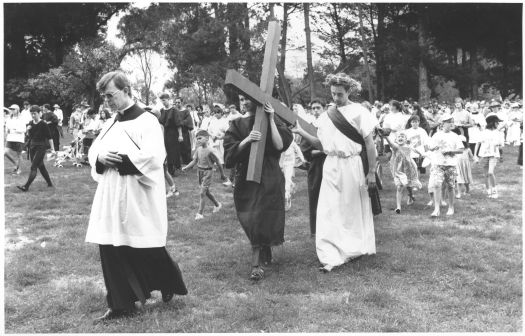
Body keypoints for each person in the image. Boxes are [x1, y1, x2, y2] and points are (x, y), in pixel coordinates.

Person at [86, 71, 187, 322]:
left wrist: (120, 160)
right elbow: (95, 149)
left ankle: (167, 281)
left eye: (111, 95)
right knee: (109, 244)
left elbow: (154, 156)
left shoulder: (147, 121)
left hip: (135, 191)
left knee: (144, 243)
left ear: (127, 90)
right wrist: (99, 157)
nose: (107, 101)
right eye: (104, 97)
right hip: (111, 192)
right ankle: (121, 304)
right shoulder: (112, 122)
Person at [292, 73, 378, 273]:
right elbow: (321, 145)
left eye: (340, 94)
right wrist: (301, 132)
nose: (336, 98)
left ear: (349, 91)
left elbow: (369, 143)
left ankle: (353, 248)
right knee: (329, 208)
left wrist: (372, 171)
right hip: (331, 165)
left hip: (353, 164)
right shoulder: (326, 115)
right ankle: (330, 253)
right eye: (333, 94)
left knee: (351, 208)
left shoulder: (359, 111)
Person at [223, 97, 293, 281]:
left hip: (269, 174)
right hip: (246, 175)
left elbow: (279, 145)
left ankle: (256, 265)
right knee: (249, 216)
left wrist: (270, 119)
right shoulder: (237, 124)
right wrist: (246, 140)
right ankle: (263, 249)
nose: (243, 102)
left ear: (257, 100)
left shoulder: (273, 120)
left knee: (260, 215)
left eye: (247, 98)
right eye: (240, 99)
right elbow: (229, 156)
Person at [427, 113, 464, 217]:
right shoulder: (436, 135)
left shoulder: (455, 136)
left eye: (452, 122)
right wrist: (433, 148)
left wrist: (450, 151)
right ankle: (436, 209)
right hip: (437, 164)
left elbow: (461, 150)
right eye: (448, 122)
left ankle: (451, 207)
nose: (451, 124)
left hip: (451, 165)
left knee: (450, 186)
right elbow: (430, 147)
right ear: (443, 124)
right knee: (436, 185)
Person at [182, 129, 223, 220]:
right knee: (206, 191)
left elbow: (218, 163)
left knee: (202, 192)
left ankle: (199, 214)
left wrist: (222, 175)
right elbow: (194, 161)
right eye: (197, 139)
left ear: (207, 138)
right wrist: (187, 167)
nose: (198, 140)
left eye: (200, 138)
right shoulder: (198, 149)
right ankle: (217, 204)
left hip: (208, 172)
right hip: (200, 172)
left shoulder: (210, 151)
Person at [382, 130, 422, 213]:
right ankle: (398, 207)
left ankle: (410, 196)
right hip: (398, 170)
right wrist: (386, 136)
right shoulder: (395, 147)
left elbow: (415, 150)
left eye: (402, 137)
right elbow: (390, 143)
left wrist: (421, 154)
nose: (400, 138)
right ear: (396, 140)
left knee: (408, 185)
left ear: (406, 139)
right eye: (399, 137)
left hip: (408, 169)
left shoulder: (408, 146)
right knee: (399, 187)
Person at [17, 105, 55, 191]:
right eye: (31, 114)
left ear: (39, 113)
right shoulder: (30, 123)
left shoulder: (43, 124)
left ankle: (26, 187)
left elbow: (50, 137)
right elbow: (28, 136)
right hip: (32, 146)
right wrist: (27, 130)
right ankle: (49, 184)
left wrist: (53, 149)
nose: (33, 116)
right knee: (41, 166)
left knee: (33, 166)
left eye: (34, 114)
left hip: (41, 147)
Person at [474, 112, 504, 199]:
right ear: (492, 122)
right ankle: (488, 190)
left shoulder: (498, 132)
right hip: (484, 155)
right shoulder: (483, 132)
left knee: (490, 172)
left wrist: (500, 154)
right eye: (497, 122)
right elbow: (478, 143)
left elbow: (501, 145)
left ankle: (495, 191)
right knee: (486, 174)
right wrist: (475, 155)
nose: (498, 124)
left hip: (494, 155)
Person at [4, 104, 26, 174]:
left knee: (19, 154)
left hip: (18, 138)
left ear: (17, 110)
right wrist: (6, 133)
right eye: (11, 109)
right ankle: (15, 164)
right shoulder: (9, 118)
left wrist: (14, 130)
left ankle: (19, 169)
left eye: (14, 109)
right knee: (5, 152)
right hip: (10, 138)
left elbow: (24, 129)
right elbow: (7, 128)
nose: (12, 110)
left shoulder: (21, 118)